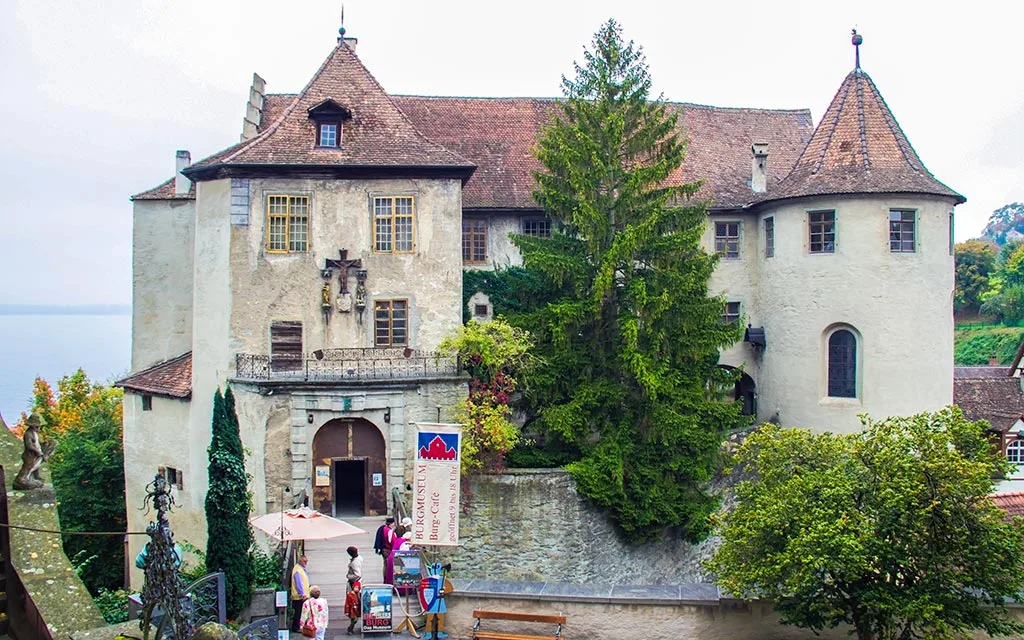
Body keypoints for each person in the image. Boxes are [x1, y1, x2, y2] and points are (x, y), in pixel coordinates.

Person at [290, 555, 310, 632]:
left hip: (301, 596)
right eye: (304, 561)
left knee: (300, 612)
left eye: (306, 561)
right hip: (299, 597)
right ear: (300, 561)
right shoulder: (298, 570)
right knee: (298, 613)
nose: (306, 563)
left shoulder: (300, 569)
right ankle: (296, 627)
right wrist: (302, 595)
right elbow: (299, 584)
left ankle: (299, 626)